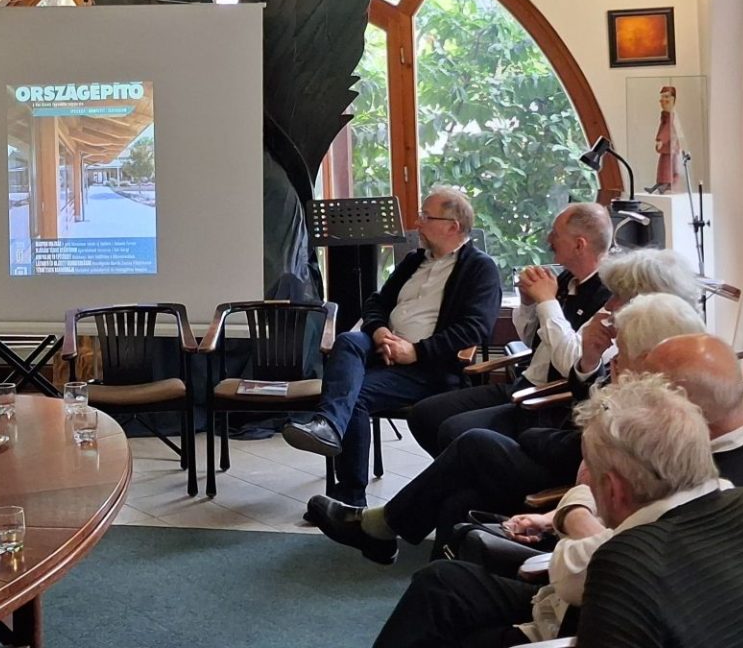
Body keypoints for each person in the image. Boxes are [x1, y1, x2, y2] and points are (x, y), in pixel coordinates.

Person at [371, 373, 743, 648]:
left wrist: (575, 505)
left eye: (589, 476)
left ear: (613, 488)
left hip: (561, 626)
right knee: (444, 583)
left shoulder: (631, 560)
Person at [308, 287, 706, 564]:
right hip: (559, 447)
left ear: (653, 353)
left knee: (476, 442)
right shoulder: (628, 374)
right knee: (459, 497)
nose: (615, 356)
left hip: (571, 473)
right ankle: (428, 566)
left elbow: (581, 444)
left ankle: (381, 528)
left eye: (625, 349)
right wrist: (589, 361)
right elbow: (582, 408)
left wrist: (531, 436)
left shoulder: (655, 402)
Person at [464, 334, 743, 639]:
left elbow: (593, 560)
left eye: (646, 386)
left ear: (680, 407)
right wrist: (562, 514)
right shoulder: (741, 495)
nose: (624, 379)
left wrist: (574, 509)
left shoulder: (727, 486)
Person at [281, 186, 503, 505]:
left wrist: (416, 352)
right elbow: (376, 302)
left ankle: (350, 496)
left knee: (355, 396)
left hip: (428, 368)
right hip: (382, 348)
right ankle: (328, 425)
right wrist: (380, 331)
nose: (418, 223)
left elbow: (474, 328)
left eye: (426, 217)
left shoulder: (479, 268)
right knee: (348, 340)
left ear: (453, 226)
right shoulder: (415, 260)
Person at [406, 202, 613, 455]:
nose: (548, 239)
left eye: (556, 234)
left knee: (453, 429)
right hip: (523, 384)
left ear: (579, 245)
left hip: (547, 403)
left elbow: (573, 365)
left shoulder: (609, 298)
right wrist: (529, 303)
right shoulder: (567, 279)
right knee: (423, 415)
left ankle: (480, 471)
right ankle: (472, 472)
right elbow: (530, 340)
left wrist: (547, 302)